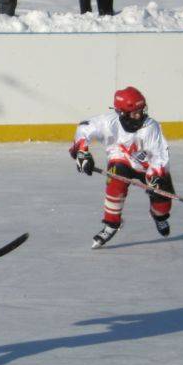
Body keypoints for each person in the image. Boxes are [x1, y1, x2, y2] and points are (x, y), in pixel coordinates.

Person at [69, 86, 174, 249]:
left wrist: (155, 178)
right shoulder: (107, 122)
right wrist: (82, 152)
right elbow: (83, 128)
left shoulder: (151, 127)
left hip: (148, 167)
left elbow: (160, 155)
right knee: (115, 180)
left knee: (163, 205)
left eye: (141, 110)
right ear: (122, 113)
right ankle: (111, 224)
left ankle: (158, 217)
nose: (139, 115)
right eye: (134, 112)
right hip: (121, 159)